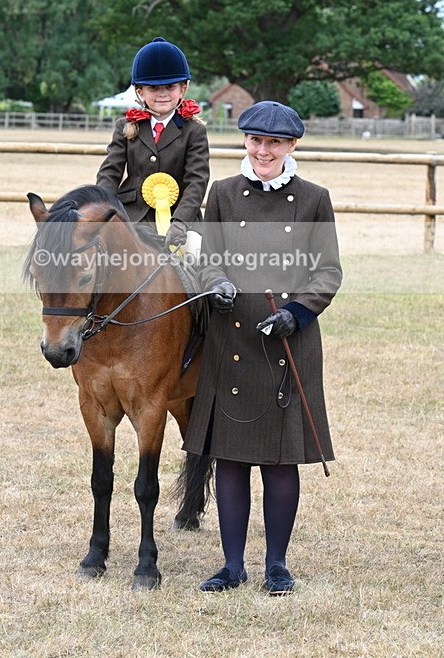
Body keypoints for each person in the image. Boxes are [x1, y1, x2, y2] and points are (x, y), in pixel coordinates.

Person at [183, 100, 343, 595]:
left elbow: (329, 272)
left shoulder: (315, 198)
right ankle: (232, 566)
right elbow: (207, 259)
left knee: (279, 462)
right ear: (246, 143)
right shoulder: (223, 193)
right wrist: (217, 283)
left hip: (287, 342)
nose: (263, 150)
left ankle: (277, 564)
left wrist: (296, 312)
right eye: (255, 140)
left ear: (292, 146)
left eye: (274, 142)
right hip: (231, 339)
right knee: (230, 460)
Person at [96, 37, 210, 248]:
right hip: (132, 216)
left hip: (178, 219)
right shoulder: (125, 126)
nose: (163, 93)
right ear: (140, 92)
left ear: (183, 89)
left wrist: (181, 222)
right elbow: (110, 173)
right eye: (153, 88)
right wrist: (101, 209)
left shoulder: (194, 131)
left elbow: (197, 181)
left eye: (170, 86)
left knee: (197, 257)